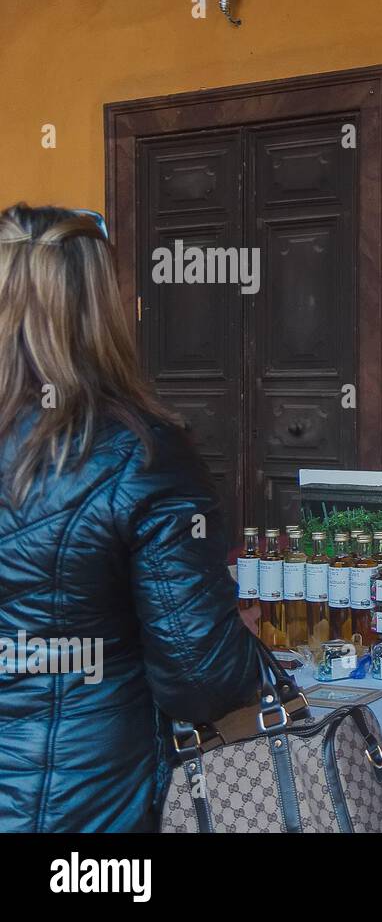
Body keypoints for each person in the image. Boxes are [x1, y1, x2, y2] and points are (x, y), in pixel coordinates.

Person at [0, 203, 261, 832]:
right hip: (79, 803)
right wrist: (240, 633)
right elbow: (199, 679)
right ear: (101, 305)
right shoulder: (139, 453)